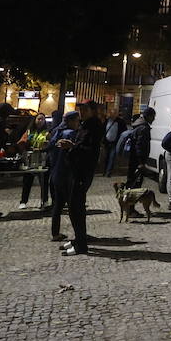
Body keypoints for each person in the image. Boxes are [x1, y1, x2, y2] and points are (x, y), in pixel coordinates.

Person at [57, 101, 103, 256]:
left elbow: (90, 151)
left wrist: (72, 146)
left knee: (77, 208)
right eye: (80, 110)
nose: (81, 112)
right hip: (76, 169)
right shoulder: (86, 125)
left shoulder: (94, 126)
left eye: (84, 109)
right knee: (73, 207)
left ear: (92, 110)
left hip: (83, 171)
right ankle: (78, 239)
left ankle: (81, 245)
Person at [47, 112, 78, 242]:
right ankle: (79, 234)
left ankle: (55, 233)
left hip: (55, 173)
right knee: (73, 205)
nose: (78, 124)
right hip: (65, 174)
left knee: (58, 205)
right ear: (70, 121)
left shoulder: (56, 133)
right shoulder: (69, 134)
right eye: (77, 121)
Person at [122, 107, 154, 189]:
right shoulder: (144, 128)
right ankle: (128, 199)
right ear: (149, 116)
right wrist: (141, 162)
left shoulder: (137, 125)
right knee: (135, 183)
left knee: (131, 180)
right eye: (153, 116)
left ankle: (127, 198)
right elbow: (140, 146)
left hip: (133, 158)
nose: (154, 118)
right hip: (137, 160)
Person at [103, 111, 128, 177]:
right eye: (111, 114)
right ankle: (105, 171)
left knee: (111, 157)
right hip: (107, 142)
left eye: (113, 114)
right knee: (106, 157)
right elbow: (103, 130)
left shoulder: (120, 122)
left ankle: (108, 172)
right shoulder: (107, 121)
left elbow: (124, 131)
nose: (112, 115)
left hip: (115, 142)